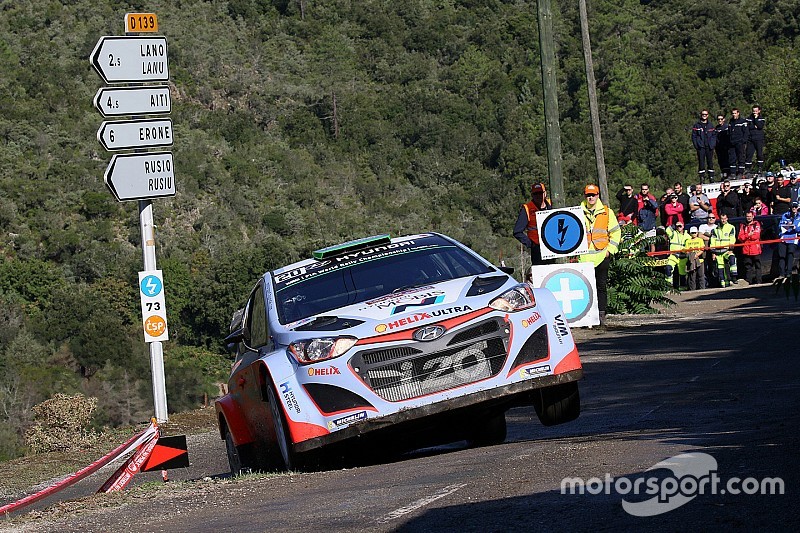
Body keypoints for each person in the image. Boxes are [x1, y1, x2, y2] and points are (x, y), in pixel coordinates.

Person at [579, 184, 621, 325]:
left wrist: (610, 250)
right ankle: (587, 317)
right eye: (588, 195)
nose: (591, 197)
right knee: (585, 288)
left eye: (593, 195)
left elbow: (616, 232)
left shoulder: (607, 212)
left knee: (601, 287)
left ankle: (601, 316)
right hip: (584, 257)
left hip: (602, 255)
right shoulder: (577, 212)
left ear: (598, 195)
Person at [514, 182, 553, 266]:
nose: (538, 196)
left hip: (554, 247)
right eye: (535, 194)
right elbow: (517, 231)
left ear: (545, 193)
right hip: (538, 251)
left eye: (540, 193)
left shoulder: (553, 204)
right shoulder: (527, 208)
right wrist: (531, 244)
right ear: (532, 195)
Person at [710, 212, 738, 287]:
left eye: (724, 219)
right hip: (717, 252)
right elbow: (712, 241)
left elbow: (732, 239)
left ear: (727, 219)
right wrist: (713, 252)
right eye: (722, 219)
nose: (723, 220)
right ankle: (724, 284)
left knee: (732, 258)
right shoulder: (715, 229)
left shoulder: (731, 227)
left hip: (726, 250)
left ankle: (734, 276)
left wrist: (731, 249)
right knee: (720, 268)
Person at [776, 202, 800, 280]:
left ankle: (789, 273)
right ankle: (782, 274)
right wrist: (786, 224)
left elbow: (799, 229)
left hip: (793, 239)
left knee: (790, 255)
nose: (794, 208)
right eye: (792, 207)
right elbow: (780, 225)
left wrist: (794, 227)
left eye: (795, 207)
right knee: (782, 256)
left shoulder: (799, 216)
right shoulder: (785, 215)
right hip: (783, 238)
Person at [691, 110, 717, 182]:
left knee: (710, 162)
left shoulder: (710, 125)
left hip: (709, 147)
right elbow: (694, 136)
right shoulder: (697, 125)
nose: (704, 116)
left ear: (708, 115)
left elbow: (714, 135)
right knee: (701, 162)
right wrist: (697, 145)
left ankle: (711, 177)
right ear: (701, 115)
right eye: (703, 114)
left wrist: (712, 144)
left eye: (705, 114)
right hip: (701, 147)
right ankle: (702, 178)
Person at [738, 211, 762, 284]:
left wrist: (746, 236)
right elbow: (740, 237)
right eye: (747, 216)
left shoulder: (756, 224)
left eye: (750, 216)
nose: (748, 218)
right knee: (748, 267)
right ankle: (749, 282)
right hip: (746, 249)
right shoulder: (743, 225)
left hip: (755, 249)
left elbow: (756, 236)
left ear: (753, 216)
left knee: (758, 267)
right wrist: (748, 235)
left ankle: (759, 282)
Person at [665, 221, 690, 289]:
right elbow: (667, 230)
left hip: (682, 256)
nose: (679, 227)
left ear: (683, 226)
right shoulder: (673, 233)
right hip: (673, 255)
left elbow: (689, 245)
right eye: (677, 226)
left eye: (680, 226)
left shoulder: (687, 236)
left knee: (682, 273)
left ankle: (683, 287)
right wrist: (673, 225)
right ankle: (668, 285)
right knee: (668, 268)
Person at [745, 105, 766, 175]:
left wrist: (756, 119)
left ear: (759, 111)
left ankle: (760, 168)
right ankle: (748, 169)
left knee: (759, 154)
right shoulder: (749, 118)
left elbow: (760, 126)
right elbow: (748, 127)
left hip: (759, 139)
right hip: (750, 139)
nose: (754, 112)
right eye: (753, 111)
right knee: (748, 154)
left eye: (756, 111)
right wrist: (754, 126)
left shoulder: (761, 118)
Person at [698, 213, 718, 286]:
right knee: (705, 267)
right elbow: (700, 235)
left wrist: (706, 235)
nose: (711, 219)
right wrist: (710, 238)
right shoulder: (703, 226)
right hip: (705, 250)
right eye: (709, 217)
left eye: (713, 217)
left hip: (715, 250)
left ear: (715, 219)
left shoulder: (717, 227)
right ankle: (706, 283)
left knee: (714, 266)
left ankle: (715, 283)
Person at [729, 108, 749, 176]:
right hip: (732, 143)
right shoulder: (731, 122)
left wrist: (743, 141)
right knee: (732, 158)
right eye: (733, 113)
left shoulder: (743, 121)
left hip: (740, 143)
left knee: (741, 157)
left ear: (738, 113)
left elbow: (746, 132)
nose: (734, 115)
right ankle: (733, 173)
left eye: (735, 113)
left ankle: (741, 172)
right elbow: (729, 132)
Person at [714, 114, 731, 178]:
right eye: (718, 119)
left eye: (721, 119)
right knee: (721, 161)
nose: (720, 120)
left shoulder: (727, 127)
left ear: (724, 119)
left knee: (727, 160)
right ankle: (723, 174)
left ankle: (729, 173)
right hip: (719, 147)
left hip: (726, 147)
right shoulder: (716, 128)